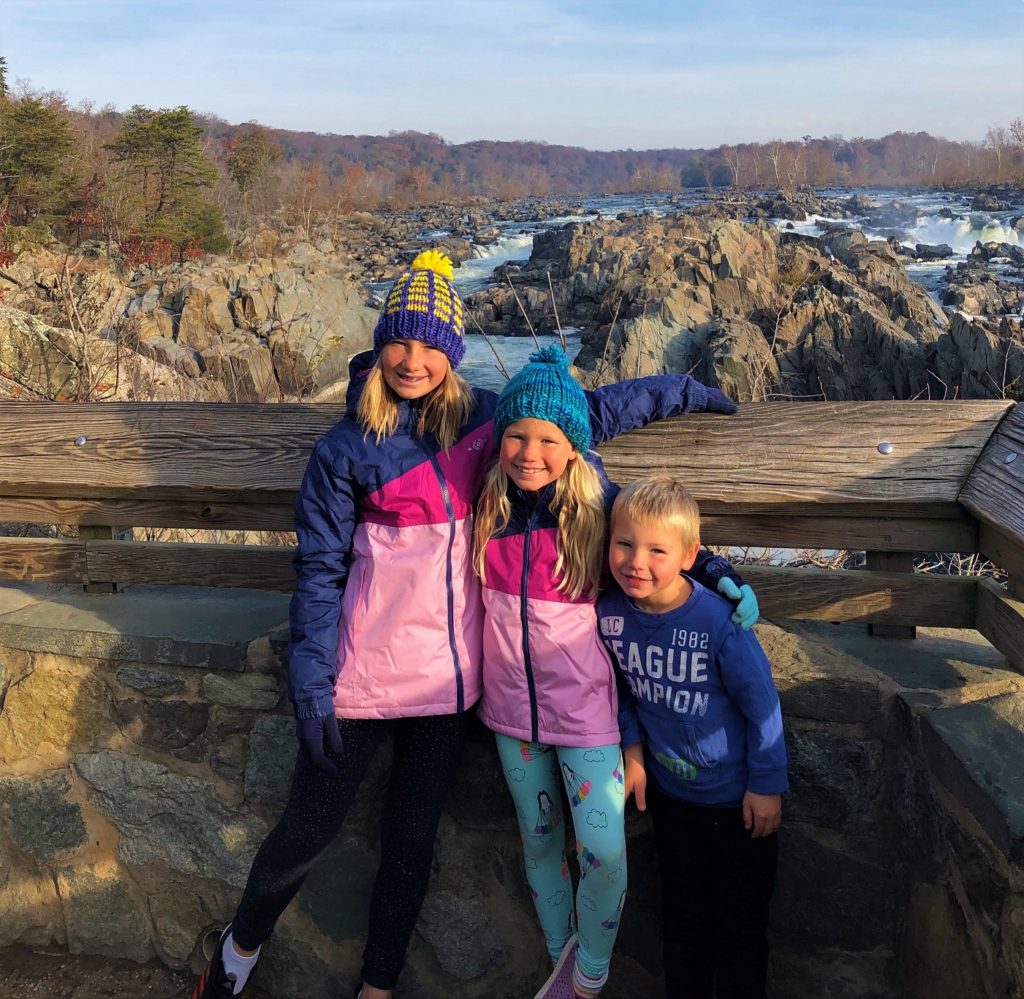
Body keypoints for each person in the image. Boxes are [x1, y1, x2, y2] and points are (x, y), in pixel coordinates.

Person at [188, 252, 742, 999]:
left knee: (410, 844)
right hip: (361, 676)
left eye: (430, 345)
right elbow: (319, 571)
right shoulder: (345, 447)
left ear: (452, 351)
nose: (412, 361)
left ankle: (377, 987)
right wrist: (311, 683)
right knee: (306, 830)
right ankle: (236, 956)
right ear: (380, 342)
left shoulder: (486, 420)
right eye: (399, 341)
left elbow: (589, 414)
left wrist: (686, 390)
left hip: (452, 687)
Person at [473, 348, 758, 999]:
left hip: (589, 719)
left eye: (549, 439)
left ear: (575, 446)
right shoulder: (486, 502)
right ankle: (560, 966)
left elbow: (663, 543)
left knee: (604, 855)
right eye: (517, 435)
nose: (529, 452)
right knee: (541, 846)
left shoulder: (596, 505)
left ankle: (589, 976)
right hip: (511, 717)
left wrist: (720, 576)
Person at [596, 475, 788, 999]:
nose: (637, 561)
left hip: (739, 806)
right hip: (672, 802)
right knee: (682, 924)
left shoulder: (717, 621)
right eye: (625, 543)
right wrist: (633, 755)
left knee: (741, 930)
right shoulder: (609, 615)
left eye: (658, 549)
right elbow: (620, 693)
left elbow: (762, 703)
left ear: (690, 554)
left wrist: (767, 784)